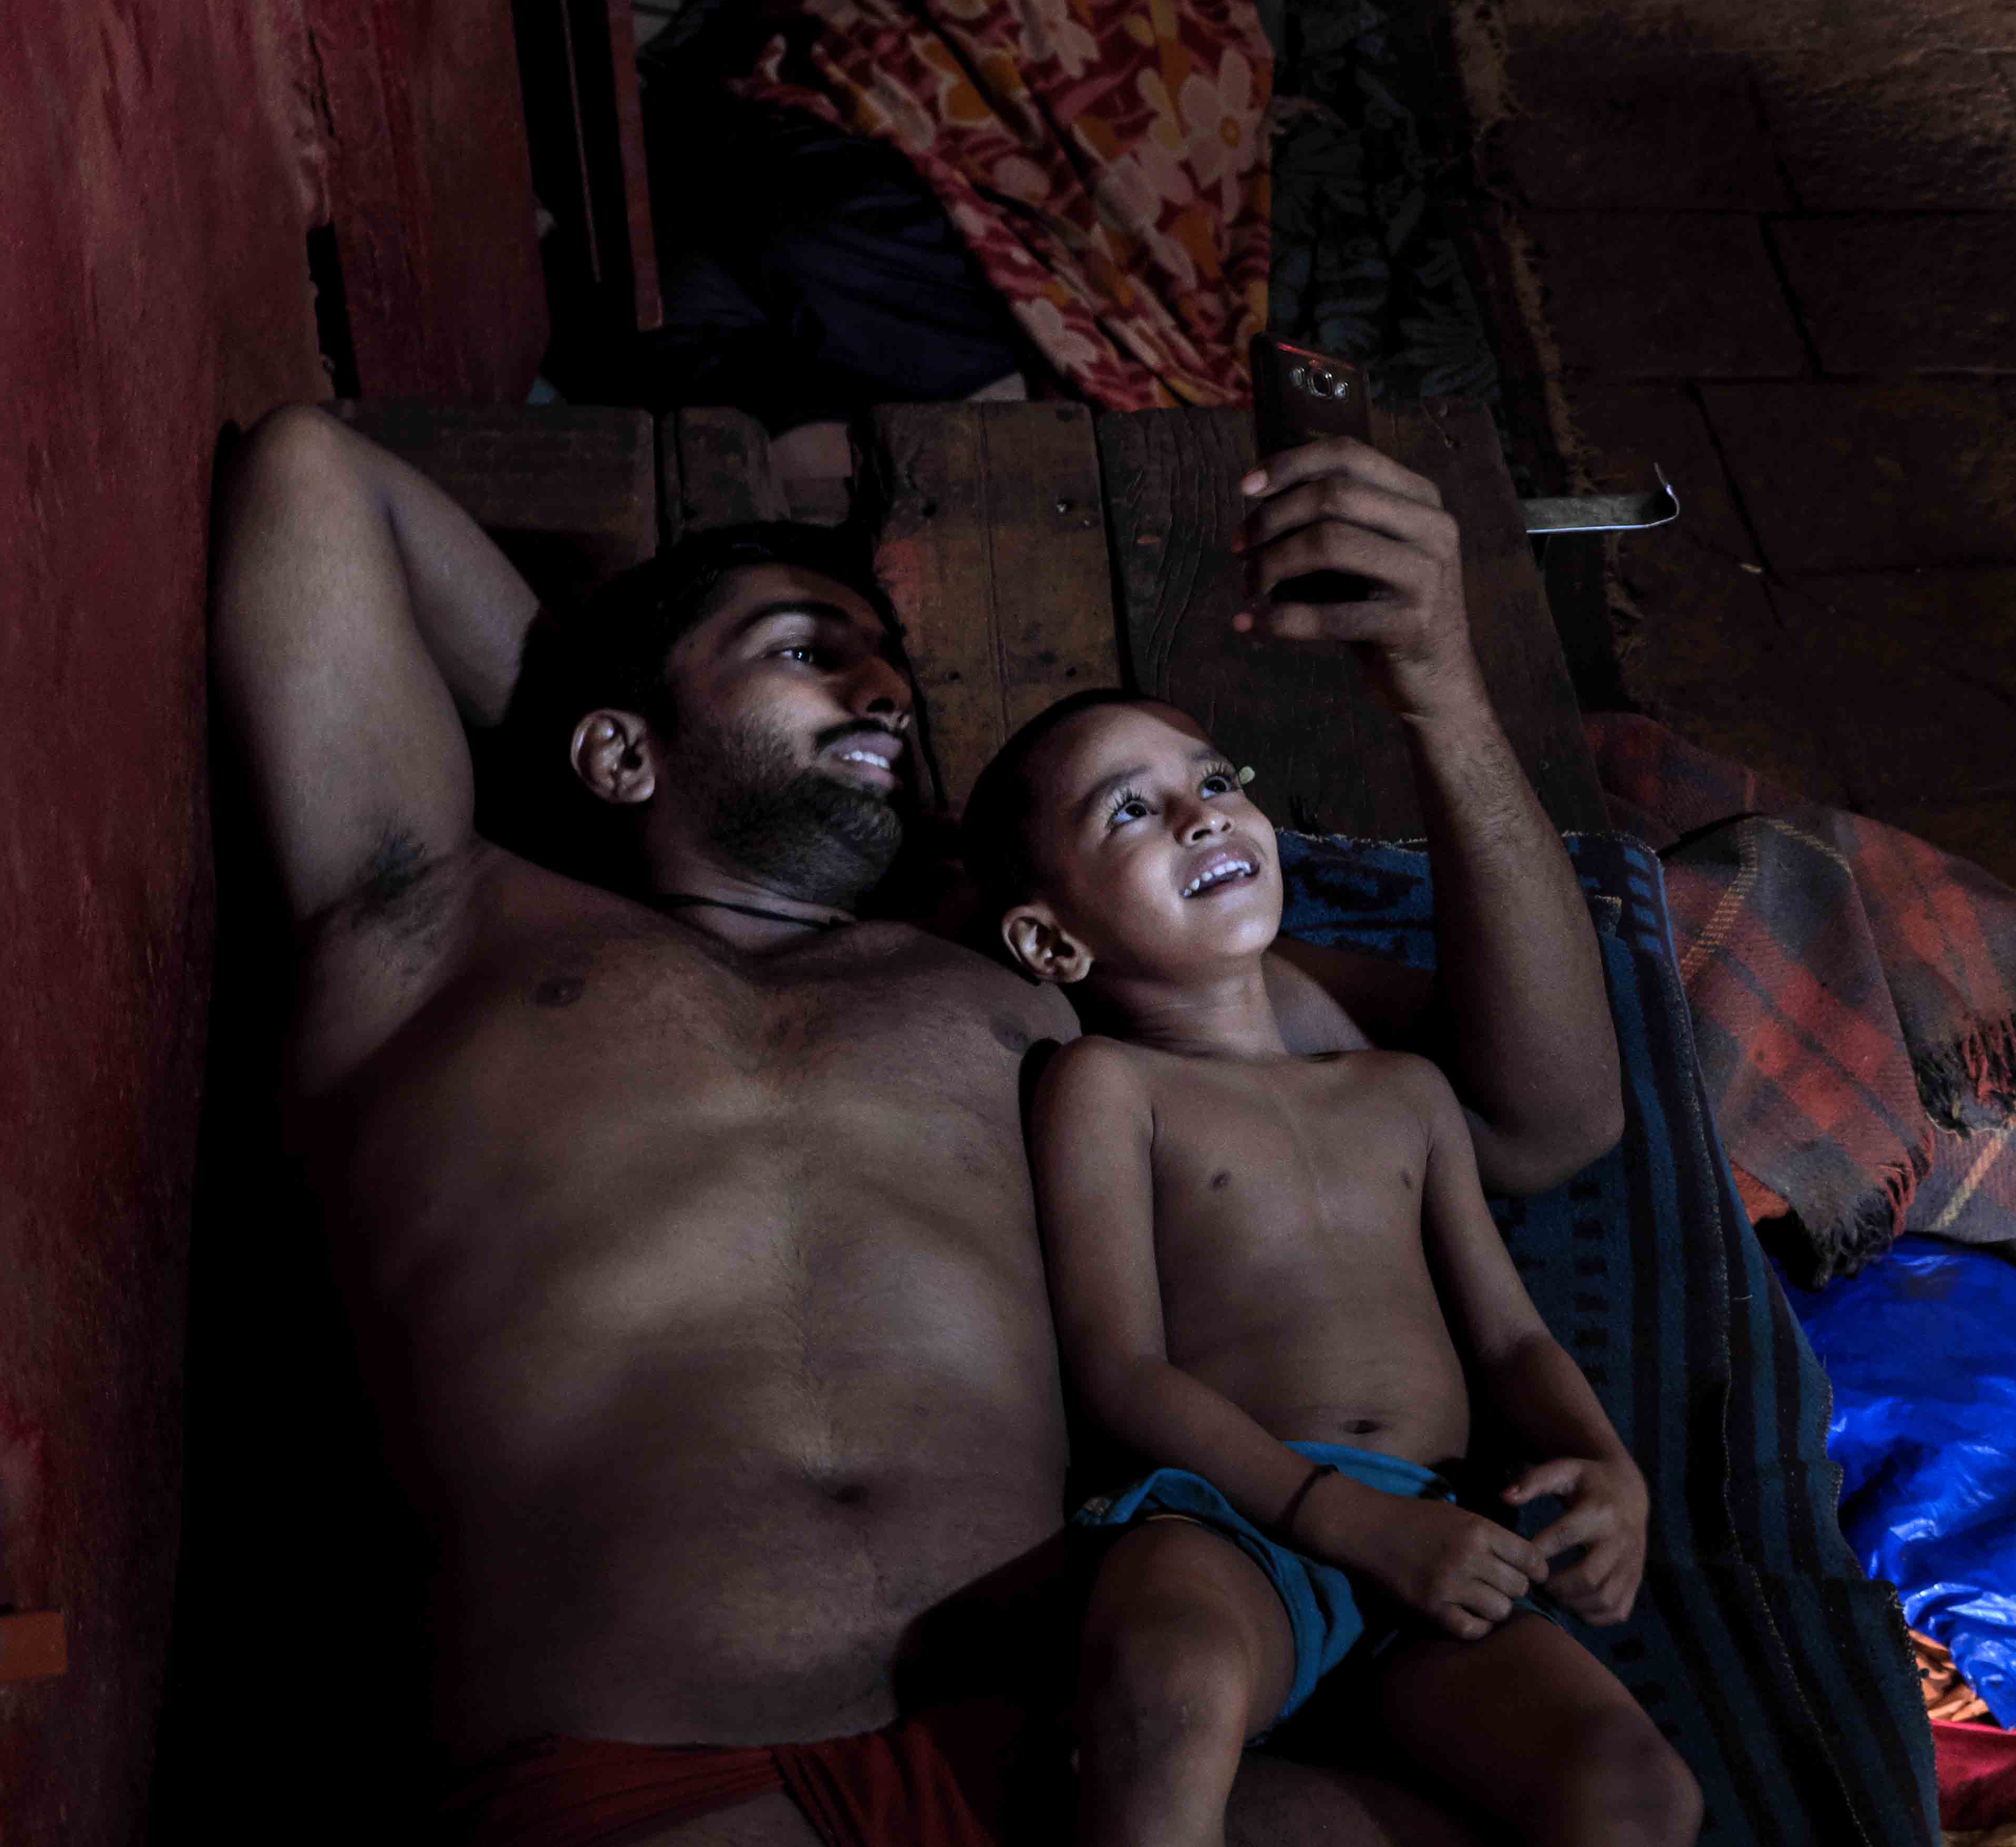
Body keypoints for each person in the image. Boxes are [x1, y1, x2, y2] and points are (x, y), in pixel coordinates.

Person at [208, 407, 1622, 1844]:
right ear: (619, 749)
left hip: (1057, 1764)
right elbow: (312, 474)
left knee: (1618, 1818)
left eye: (893, 669)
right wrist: (613, 724)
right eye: (814, 653)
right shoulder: (433, 923)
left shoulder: (1031, 972)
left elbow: (1543, 1117)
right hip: (641, 1772)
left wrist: (1443, 686)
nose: (887, 690)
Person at [965, 690, 1706, 1846]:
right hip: (1227, 1523)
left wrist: (1612, 1471)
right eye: (1130, 811)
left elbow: (1509, 1339)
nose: (1202, 819)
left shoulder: (1402, 1090)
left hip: (1436, 1531)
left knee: (1637, 1789)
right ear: (1051, 941)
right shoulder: (1110, 1085)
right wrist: (1335, 1514)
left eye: (1215, 782)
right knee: (1163, 1689)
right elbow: (1118, 1367)